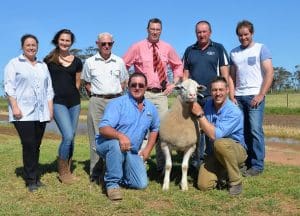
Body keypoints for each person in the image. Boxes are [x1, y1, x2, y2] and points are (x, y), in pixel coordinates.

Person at [123, 18, 183, 173]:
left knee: (162, 131)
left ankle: (162, 166)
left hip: (161, 94)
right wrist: (129, 84)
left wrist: (173, 84)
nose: (155, 32)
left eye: (158, 29)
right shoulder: (137, 47)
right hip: (143, 94)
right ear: (147, 29)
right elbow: (124, 65)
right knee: (141, 130)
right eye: (152, 29)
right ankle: (139, 163)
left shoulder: (167, 47)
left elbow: (178, 66)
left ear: (161, 30)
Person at [96, 72, 160, 201]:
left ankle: (112, 172)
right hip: (108, 144)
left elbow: (154, 129)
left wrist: (148, 149)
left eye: (141, 85)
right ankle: (112, 184)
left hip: (131, 150)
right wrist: (120, 135)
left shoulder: (151, 108)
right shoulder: (118, 104)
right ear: (128, 87)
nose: (137, 88)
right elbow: (103, 128)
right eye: (133, 85)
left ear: (146, 87)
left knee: (141, 184)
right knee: (115, 144)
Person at [4, 34, 54, 192]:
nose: (31, 47)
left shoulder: (42, 65)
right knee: (29, 144)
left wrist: (50, 109)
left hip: (41, 112)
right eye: (28, 45)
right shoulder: (14, 64)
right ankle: (31, 180)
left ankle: (35, 176)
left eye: (34, 45)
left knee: (36, 145)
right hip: (22, 112)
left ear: (37, 46)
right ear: (22, 47)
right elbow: (9, 88)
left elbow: (49, 89)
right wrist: (15, 107)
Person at [182, 20, 234, 170]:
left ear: (210, 32)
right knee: (196, 129)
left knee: (212, 129)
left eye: (204, 31)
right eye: (199, 32)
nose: (201, 34)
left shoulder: (218, 48)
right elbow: (185, 75)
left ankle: (214, 161)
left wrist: (226, 95)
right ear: (195, 33)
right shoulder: (189, 50)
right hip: (195, 97)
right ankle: (197, 161)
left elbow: (225, 74)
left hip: (214, 97)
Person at [81, 32, 128, 184]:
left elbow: (124, 82)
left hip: (115, 101)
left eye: (110, 43)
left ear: (113, 44)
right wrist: (97, 96)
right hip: (97, 101)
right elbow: (86, 83)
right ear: (98, 44)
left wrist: (115, 96)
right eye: (103, 44)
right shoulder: (89, 62)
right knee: (96, 136)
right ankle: (95, 173)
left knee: (115, 135)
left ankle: (113, 172)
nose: (107, 46)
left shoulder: (119, 61)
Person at [230, 20, 274, 177]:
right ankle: (245, 162)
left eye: (246, 34)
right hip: (239, 97)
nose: (243, 38)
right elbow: (231, 75)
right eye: (240, 35)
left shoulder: (261, 48)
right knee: (242, 131)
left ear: (252, 33)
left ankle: (257, 165)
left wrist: (261, 94)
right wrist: (232, 95)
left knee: (255, 130)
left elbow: (269, 72)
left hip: (255, 96)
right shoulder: (234, 52)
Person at [190, 76, 247, 195]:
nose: (218, 93)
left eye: (221, 90)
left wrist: (200, 115)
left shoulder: (234, 111)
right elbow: (203, 127)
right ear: (210, 92)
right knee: (203, 185)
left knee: (220, 142)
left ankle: (236, 181)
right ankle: (224, 172)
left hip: (236, 150)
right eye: (214, 90)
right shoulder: (208, 105)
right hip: (215, 153)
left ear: (227, 90)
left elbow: (215, 135)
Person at [44, 29, 83, 184]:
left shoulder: (78, 61)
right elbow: (44, 83)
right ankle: (63, 172)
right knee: (67, 136)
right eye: (62, 40)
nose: (65, 43)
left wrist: (74, 95)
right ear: (57, 41)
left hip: (74, 103)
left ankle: (68, 166)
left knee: (72, 137)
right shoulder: (49, 60)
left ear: (71, 43)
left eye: (68, 40)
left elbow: (77, 82)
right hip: (57, 102)